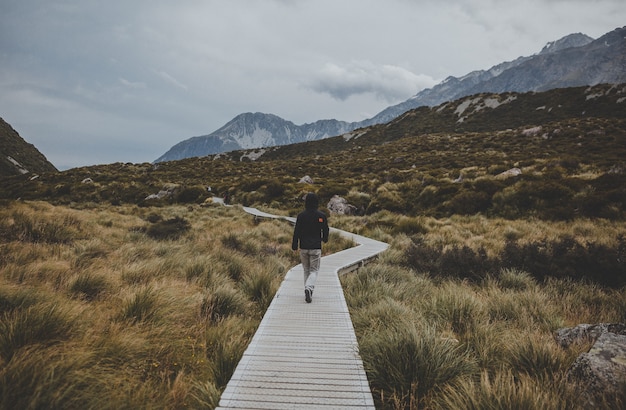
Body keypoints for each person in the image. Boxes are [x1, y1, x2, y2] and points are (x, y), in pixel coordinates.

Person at [292, 192, 329, 303]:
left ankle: (308, 289)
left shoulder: (301, 216)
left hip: (303, 247)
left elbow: (296, 231)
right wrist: (324, 239)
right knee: (314, 270)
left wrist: (294, 244)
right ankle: (309, 288)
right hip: (315, 247)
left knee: (306, 270)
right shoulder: (321, 216)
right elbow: (326, 230)